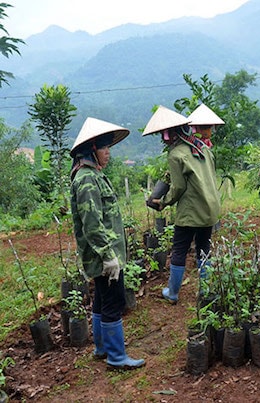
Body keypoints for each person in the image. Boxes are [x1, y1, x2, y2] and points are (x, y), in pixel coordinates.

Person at [70, 117, 145, 370]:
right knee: (113, 301)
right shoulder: (87, 179)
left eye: (108, 148)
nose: (108, 153)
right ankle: (116, 356)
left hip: (103, 254)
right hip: (104, 256)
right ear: (92, 150)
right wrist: (108, 255)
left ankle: (102, 348)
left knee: (102, 299)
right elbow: (92, 224)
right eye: (105, 148)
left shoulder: (91, 175)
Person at [142, 105, 221, 304]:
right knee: (204, 248)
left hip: (190, 211)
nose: (162, 138)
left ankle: (173, 292)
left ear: (169, 135)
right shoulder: (202, 147)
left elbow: (177, 188)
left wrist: (163, 202)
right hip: (210, 207)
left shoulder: (175, 154)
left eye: (163, 134)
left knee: (179, 249)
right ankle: (207, 291)